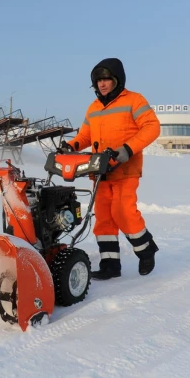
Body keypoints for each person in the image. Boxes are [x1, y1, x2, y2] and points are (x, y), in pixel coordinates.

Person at [58, 58, 160, 280]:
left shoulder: (134, 100)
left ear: (117, 80)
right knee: (104, 218)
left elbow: (152, 127)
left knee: (123, 212)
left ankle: (146, 250)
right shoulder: (94, 108)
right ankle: (110, 265)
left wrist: (127, 149)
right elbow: (86, 135)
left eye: (106, 79)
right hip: (99, 172)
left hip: (125, 170)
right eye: (98, 81)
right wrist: (71, 145)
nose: (102, 84)